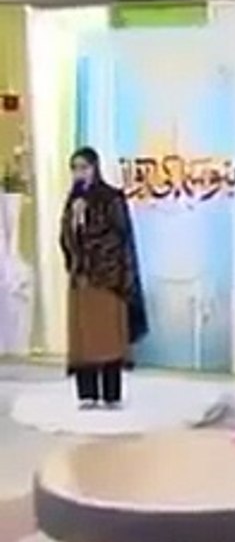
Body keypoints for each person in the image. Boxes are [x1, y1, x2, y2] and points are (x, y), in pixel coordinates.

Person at [60, 147, 147, 409]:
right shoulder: (73, 200)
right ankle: (87, 393)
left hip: (108, 280)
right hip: (81, 279)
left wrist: (93, 242)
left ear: (95, 168)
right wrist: (75, 225)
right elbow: (66, 238)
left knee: (108, 339)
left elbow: (119, 237)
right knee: (84, 339)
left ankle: (111, 394)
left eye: (84, 168)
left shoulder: (111, 198)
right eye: (75, 168)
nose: (79, 173)